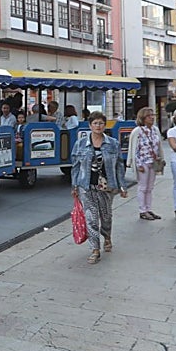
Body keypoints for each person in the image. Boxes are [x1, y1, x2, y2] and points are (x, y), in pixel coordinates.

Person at [70, 111, 128, 263]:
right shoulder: (81, 144)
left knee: (106, 216)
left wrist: (122, 186)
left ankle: (107, 236)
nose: (98, 126)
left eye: (101, 123)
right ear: (90, 125)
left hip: (107, 187)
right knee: (91, 218)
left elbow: (119, 166)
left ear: (104, 125)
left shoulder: (113, 144)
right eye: (95, 123)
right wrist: (74, 185)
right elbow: (75, 166)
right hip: (86, 186)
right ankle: (95, 249)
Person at [127, 106, 163, 220]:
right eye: (149, 116)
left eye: (153, 115)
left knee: (150, 187)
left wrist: (160, 158)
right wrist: (138, 164)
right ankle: (142, 210)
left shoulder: (155, 130)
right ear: (142, 118)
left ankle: (148, 209)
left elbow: (159, 146)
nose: (152, 118)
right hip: (143, 162)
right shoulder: (138, 131)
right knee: (143, 187)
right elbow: (134, 148)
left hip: (153, 162)